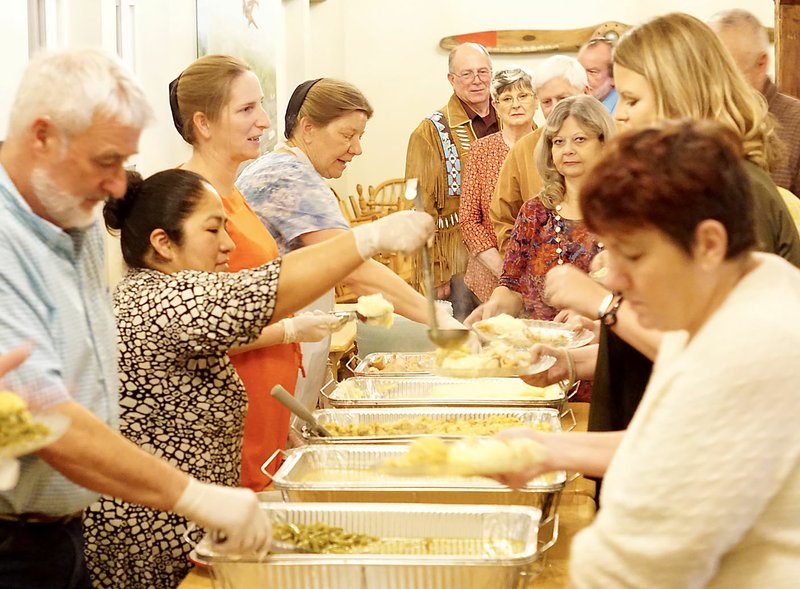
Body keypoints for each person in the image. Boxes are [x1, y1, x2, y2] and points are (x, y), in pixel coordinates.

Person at [0, 47, 272, 589]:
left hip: (64, 531)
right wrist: (191, 495)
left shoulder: (65, 213)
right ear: (42, 136)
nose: (119, 185)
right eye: (106, 161)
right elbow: (43, 416)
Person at [82, 168, 432, 588]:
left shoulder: (147, 293)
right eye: (213, 230)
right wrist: (368, 238)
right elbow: (262, 290)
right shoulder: (164, 298)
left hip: (182, 523)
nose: (228, 244)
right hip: (151, 539)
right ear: (163, 243)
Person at [495, 120, 800, 589]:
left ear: (709, 244)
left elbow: (634, 566)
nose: (614, 279)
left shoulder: (750, 348)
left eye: (633, 256)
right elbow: (670, 443)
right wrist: (548, 448)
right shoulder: (734, 290)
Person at [536, 13, 800, 440]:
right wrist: (574, 363)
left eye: (634, 100)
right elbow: (670, 335)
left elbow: (721, 363)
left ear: (683, 97)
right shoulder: (693, 187)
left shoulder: (736, 194)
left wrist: (605, 306)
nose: (619, 116)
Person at [236, 78, 460, 414]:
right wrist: (439, 320)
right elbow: (354, 268)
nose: (357, 149)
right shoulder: (290, 176)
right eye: (347, 135)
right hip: (271, 355)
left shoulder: (277, 167)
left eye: (360, 137)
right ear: (308, 129)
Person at [167, 54, 338, 489]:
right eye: (246, 109)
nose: (264, 121)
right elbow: (198, 329)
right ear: (203, 124)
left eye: (260, 105)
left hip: (266, 404)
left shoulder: (234, 192)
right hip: (229, 410)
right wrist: (290, 330)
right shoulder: (185, 204)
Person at [405, 42, 498, 319]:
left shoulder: (515, 121)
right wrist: (432, 270)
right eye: (467, 74)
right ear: (452, 79)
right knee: (465, 342)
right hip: (456, 265)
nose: (477, 80)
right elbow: (418, 206)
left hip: (507, 259)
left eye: (483, 71)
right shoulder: (430, 132)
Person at [490, 55, 590, 255]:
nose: (556, 108)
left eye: (563, 98)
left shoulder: (612, 141)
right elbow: (503, 218)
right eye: (546, 101)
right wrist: (525, 267)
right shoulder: (524, 149)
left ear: (586, 93)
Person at [459, 67, 537, 303]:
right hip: (490, 277)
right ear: (495, 105)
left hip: (541, 273)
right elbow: (469, 220)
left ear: (536, 101)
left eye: (523, 96)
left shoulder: (551, 146)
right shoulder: (480, 151)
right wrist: (506, 271)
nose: (516, 105)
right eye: (506, 98)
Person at [708, 8, 800, 195]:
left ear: (761, 64)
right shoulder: (696, 115)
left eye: (727, 74)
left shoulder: (796, 123)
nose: (714, 86)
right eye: (706, 71)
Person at [577, 38, 618, 114]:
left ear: (614, 77)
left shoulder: (624, 112)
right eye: (580, 70)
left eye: (592, 72)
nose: (583, 78)